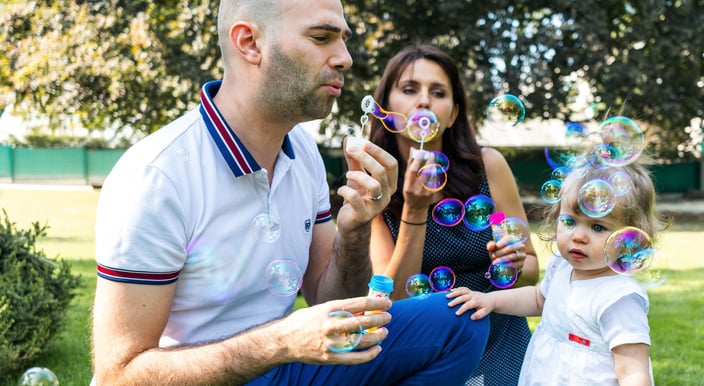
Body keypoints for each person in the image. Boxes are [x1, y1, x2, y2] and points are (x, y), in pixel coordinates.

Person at [90, 1, 489, 385]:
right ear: (250, 43)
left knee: (458, 322)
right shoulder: (158, 176)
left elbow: (329, 299)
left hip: (285, 367)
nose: (345, 58)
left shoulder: (302, 152)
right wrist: (279, 342)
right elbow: (118, 375)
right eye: (321, 38)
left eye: (343, 40)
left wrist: (354, 231)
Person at [367, 44, 540, 385]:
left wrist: (514, 263)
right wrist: (415, 209)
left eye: (438, 93)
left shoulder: (487, 168)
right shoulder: (375, 186)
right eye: (409, 89)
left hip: (501, 343)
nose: (424, 102)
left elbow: (531, 271)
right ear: (386, 107)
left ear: (453, 113)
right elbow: (394, 299)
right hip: (427, 353)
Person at [447, 160, 666, 385]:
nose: (578, 236)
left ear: (629, 238)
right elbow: (539, 298)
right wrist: (490, 300)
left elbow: (633, 373)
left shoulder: (619, 298)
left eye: (597, 227)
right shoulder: (562, 266)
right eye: (570, 221)